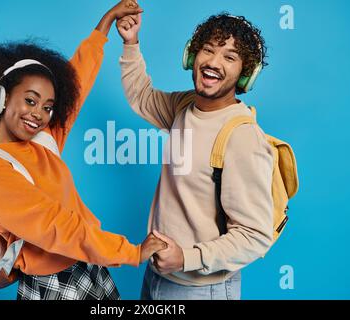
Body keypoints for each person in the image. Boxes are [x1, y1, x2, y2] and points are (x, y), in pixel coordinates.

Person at [0, 0, 166, 300]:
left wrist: (103, 26)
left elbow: (77, 81)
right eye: (30, 100)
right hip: (53, 284)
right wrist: (131, 252)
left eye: (48, 107)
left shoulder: (43, 139)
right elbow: (54, 225)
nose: (38, 114)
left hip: (88, 263)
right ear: (0, 98)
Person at [116, 12, 274, 300]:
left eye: (230, 57)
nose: (213, 62)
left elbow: (255, 236)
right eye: (208, 50)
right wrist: (131, 43)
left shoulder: (242, 137)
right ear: (192, 55)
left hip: (202, 289)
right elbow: (142, 96)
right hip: (157, 275)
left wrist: (187, 258)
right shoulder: (185, 105)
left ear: (245, 73)